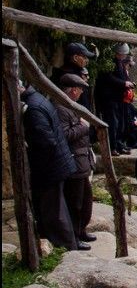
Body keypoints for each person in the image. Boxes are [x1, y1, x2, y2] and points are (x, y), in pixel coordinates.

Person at [22, 82, 79, 250]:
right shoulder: (38, 100)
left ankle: (66, 249)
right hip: (58, 163)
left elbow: (46, 143)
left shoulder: (33, 109)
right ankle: (67, 245)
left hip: (51, 166)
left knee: (54, 213)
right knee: (58, 209)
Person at [55, 74, 96, 247]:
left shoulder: (71, 106)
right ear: (73, 90)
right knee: (75, 202)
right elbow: (64, 135)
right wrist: (83, 126)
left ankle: (81, 231)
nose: (80, 93)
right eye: (79, 89)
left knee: (85, 201)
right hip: (73, 161)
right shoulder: (60, 109)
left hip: (81, 160)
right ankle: (74, 237)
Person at [96, 43, 136, 155]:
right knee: (113, 124)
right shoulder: (110, 63)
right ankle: (112, 147)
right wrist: (124, 83)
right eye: (123, 54)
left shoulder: (121, 63)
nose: (124, 56)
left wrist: (129, 83)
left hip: (119, 98)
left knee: (121, 124)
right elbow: (108, 78)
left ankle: (119, 145)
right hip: (110, 99)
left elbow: (123, 77)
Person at [51, 42, 96, 113]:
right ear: (75, 58)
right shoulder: (70, 77)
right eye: (84, 57)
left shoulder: (76, 72)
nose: (87, 60)